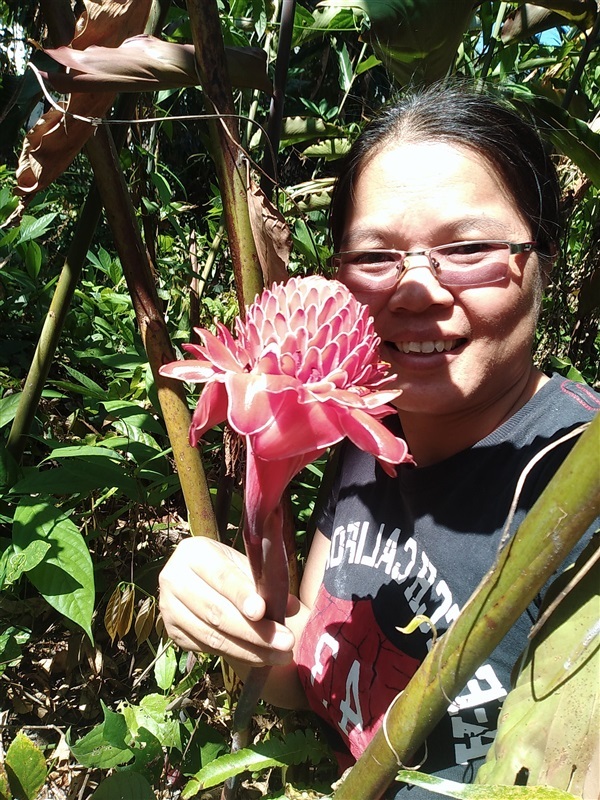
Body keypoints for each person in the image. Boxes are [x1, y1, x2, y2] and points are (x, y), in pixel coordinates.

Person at [159, 84, 600, 796]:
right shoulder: (363, 435)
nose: (417, 289)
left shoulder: (583, 477)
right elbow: (316, 678)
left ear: (541, 253)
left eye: (470, 247)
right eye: (375, 256)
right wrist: (217, 612)